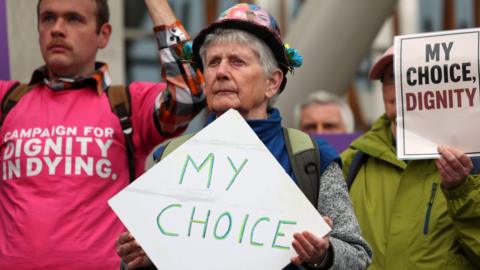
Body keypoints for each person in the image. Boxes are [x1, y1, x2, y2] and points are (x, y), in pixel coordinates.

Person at [116, 3, 371, 270]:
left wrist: (324, 254)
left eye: (237, 61)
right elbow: (136, 263)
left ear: (272, 82)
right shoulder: (171, 156)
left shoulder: (311, 157)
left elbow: (357, 257)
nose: (221, 72)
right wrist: (140, 259)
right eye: (213, 62)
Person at [0, 0, 205, 269]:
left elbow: (191, 93)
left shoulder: (130, 103)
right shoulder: (7, 100)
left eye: (74, 19)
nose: (57, 29)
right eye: (48, 18)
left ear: (104, 34)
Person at [341, 46, 480, 269]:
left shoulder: (473, 160)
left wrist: (462, 193)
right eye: (391, 78)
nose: (401, 88)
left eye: (412, 75)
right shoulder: (353, 160)